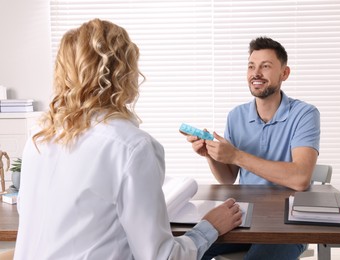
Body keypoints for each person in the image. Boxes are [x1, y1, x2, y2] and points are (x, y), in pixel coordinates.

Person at [13, 19, 243, 260]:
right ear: (124, 73)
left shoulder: (39, 137)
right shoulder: (132, 146)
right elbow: (161, 257)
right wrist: (209, 227)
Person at [183, 37, 320, 260]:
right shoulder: (236, 116)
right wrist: (212, 155)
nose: (256, 73)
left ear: (284, 73)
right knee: (189, 248)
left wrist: (236, 155)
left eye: (265, 66)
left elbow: (301, 178)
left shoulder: (305, 114)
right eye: (251, 66)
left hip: (289, 222)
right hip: (244, 215)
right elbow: (228, 179)